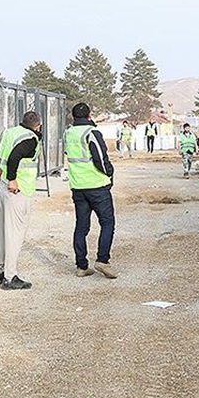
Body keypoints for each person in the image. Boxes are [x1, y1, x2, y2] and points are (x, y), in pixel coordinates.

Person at [0, 111, 42, 290]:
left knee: (3, 231)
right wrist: (13, 178)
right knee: (15, 234)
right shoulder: (31, 139)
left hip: (4, 188)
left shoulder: (9, 133)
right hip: (18, 189)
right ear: (38, 125)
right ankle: (10, 276)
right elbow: (15, 157)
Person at [65, 102, 118, 279]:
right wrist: (110, 173)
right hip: (97, 186)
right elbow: (101, 159)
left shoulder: (68, 133)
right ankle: (102, 260)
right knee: (107, 223)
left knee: (81, 227)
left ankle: (82, 266)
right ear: (89, 115)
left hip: (78, 187)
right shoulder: (91, 133)